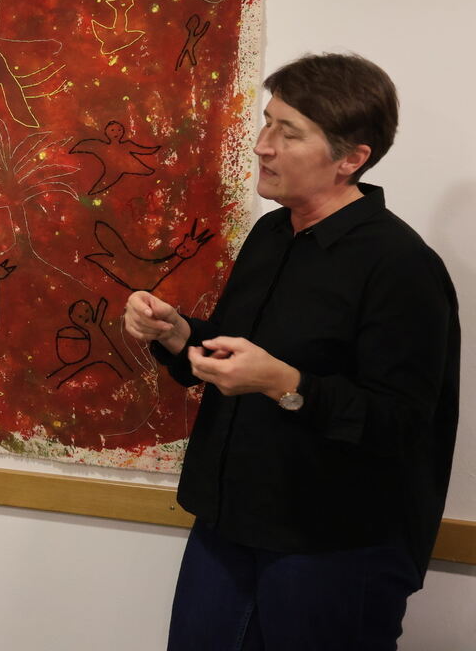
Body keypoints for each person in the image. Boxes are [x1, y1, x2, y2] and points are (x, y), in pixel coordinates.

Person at [125, 53, 459, 651]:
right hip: (228, 525)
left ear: (351, 159)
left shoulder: (401, 265)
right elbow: (240, 358)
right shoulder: (272, 234)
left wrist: (286, 385)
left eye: (289, 132)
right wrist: (177, 334)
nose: (262, 145)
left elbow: (403, 424)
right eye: (267, 121)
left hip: (334, 549)